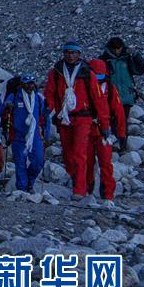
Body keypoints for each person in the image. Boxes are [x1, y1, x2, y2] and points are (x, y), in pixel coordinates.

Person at [44, 41, 112, 199]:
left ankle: (79, 190)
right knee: (68, 155)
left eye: (73, 53)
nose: (70, 55)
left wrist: (104, 124)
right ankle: (77, 179)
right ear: (63, 54)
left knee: (79, 153)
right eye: (67, 52)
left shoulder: (87, 73)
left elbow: (99, 100)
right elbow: (50, 93)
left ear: (79, 54)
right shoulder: (56, 72)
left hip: (83, 117)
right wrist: (48, 109)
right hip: (64, 118)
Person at [85, 58, 127, 204]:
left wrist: (121, 133)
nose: (98, 81)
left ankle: (108, 195)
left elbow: (119, 111)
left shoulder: (109, 88)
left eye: (101, 78)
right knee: (87, 162)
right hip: (87, 130)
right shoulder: (82, 86)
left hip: (104, 132)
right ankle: (87, 190)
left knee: (106, 164)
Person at [2, 73, 51, 193]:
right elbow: (4, 108)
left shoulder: (38, 98)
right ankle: (22, 189)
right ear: (22, 84)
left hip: (34, 136)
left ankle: (29, 182)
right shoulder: (15, 96)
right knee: (20, 163)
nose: (30, 86)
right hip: (18, 135)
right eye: (27, 84)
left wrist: (47, 134)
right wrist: (7, 106)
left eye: (32, 83)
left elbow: (45, 116)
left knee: (38, 161)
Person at [100, 37, 144, 145]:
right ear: (110, 48)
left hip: (126, 96)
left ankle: (121, 145)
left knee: (122, 122)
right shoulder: (104, 60)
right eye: (115, 48)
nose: (117, 50)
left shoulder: (127, 58)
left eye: (119, 48)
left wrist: (135, 54)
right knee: (112, 121)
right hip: (111, 97)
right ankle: (114, 144)